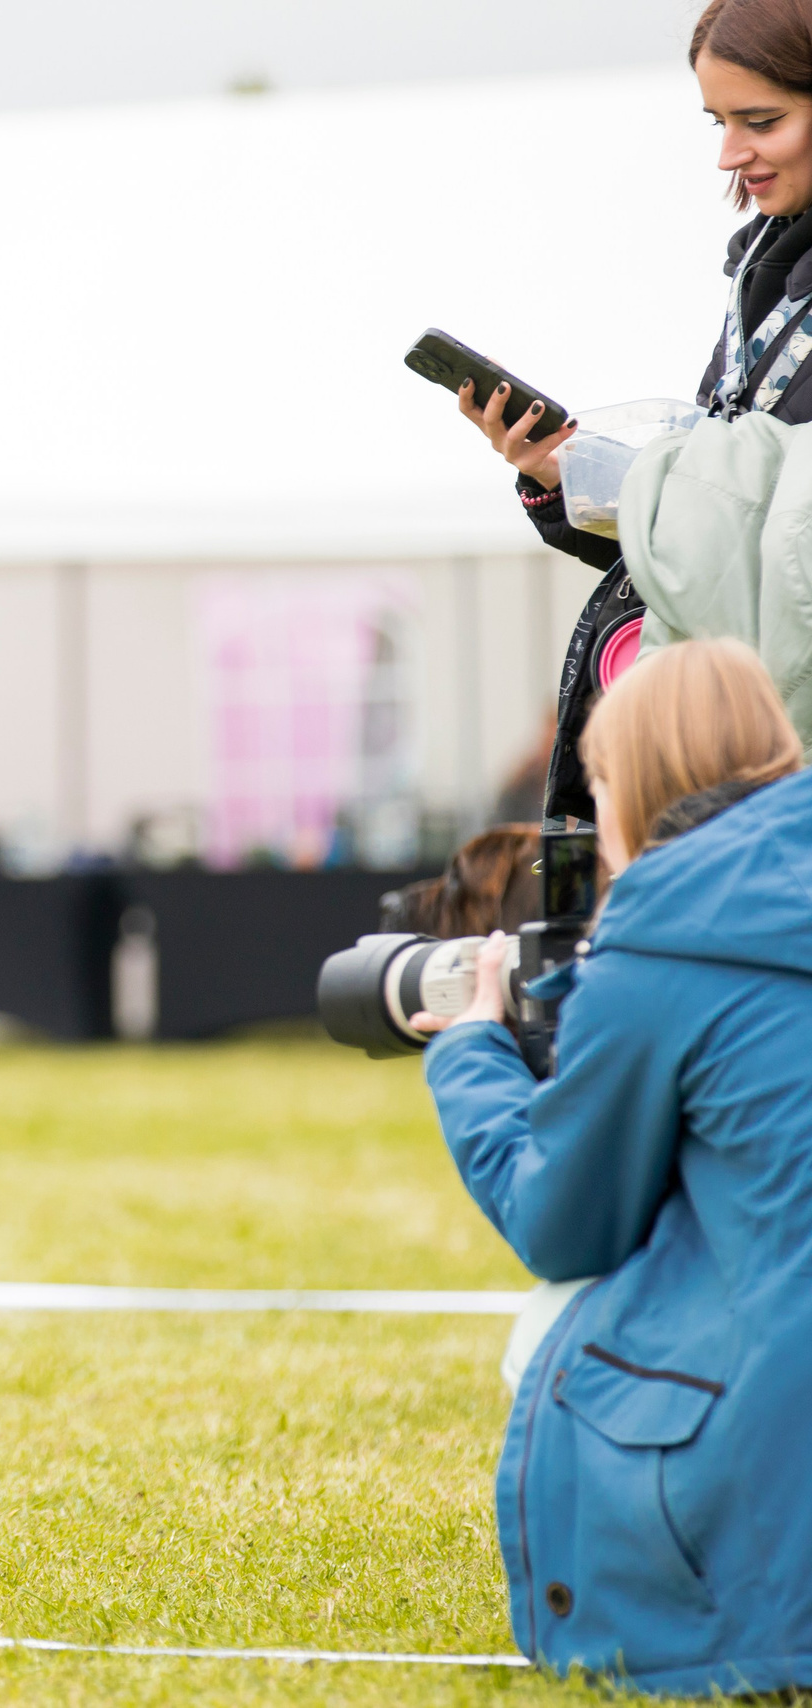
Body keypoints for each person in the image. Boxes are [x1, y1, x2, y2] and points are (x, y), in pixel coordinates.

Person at [418, 639, 812, 1694]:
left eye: (594, 787)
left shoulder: (661, 941)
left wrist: (469, 1047)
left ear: (628, 784)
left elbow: (563, 1223)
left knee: (548, 1321)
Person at [457, 0, 812, 822]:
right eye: (718, 120)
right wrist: (567, 477)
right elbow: (723, 556)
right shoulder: (765, 281)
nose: (730, 154)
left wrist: (650, 479)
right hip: (743, 772)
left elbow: (782, 541)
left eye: (762, 119)